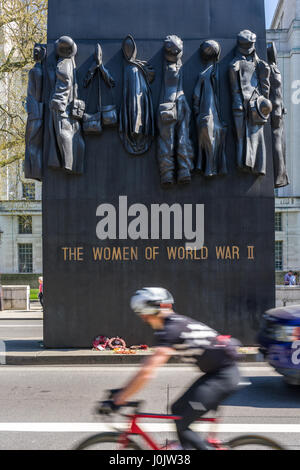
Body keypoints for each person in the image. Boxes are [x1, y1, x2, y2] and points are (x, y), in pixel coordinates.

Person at [104, 287, 241, 450]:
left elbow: (147, 372)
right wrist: (124, 391)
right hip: (218, 373)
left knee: (182, 420)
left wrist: (121, 397)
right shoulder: (176, 323)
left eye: (142, 314)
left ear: (145, 313)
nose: (143, 319)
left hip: (223, 377)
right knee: (177, 411)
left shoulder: (171, 330)